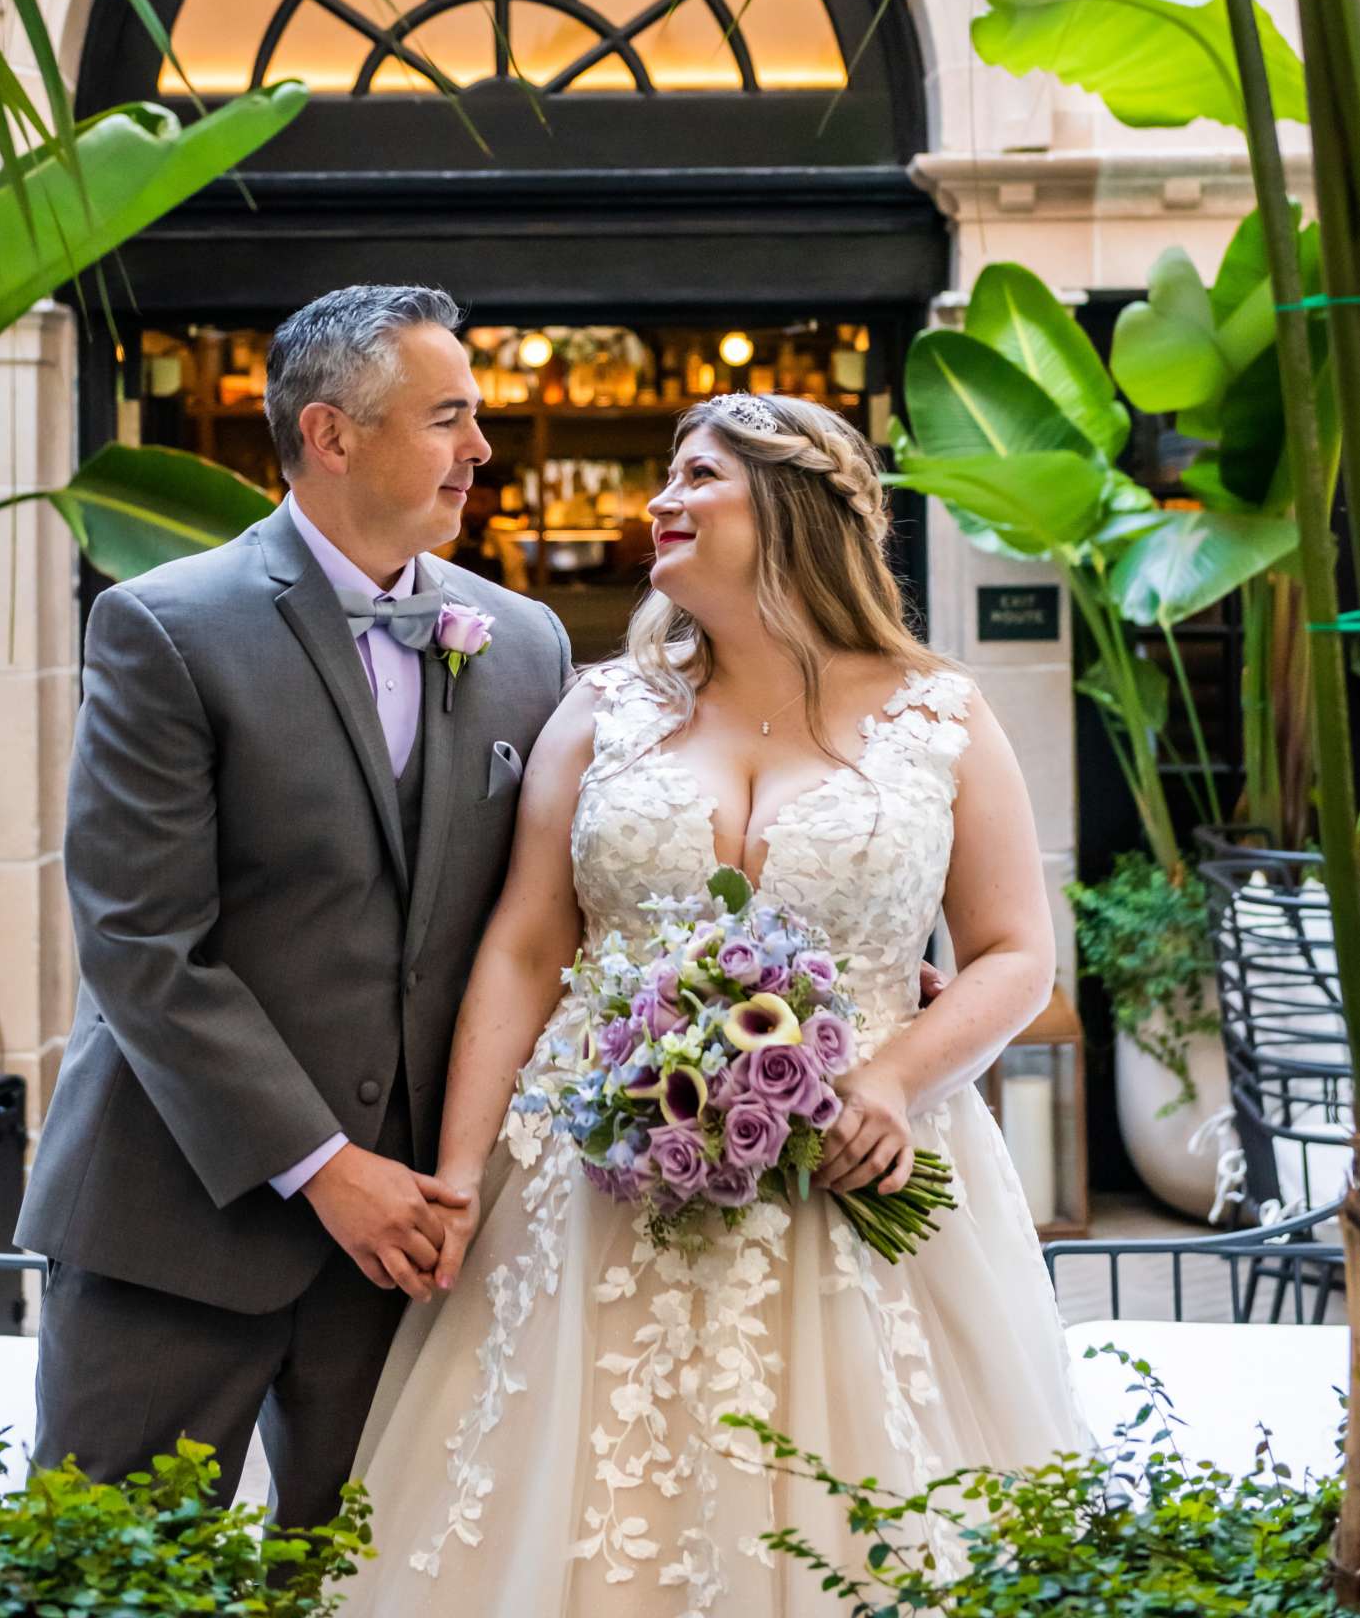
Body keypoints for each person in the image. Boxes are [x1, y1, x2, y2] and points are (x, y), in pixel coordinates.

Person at [343, 391, 1089, 1615]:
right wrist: (465, 1170)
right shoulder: (600, 707)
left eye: (696, 478)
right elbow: (528, 947)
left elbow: (1015, 954)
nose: (660, 502)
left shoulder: (940, 715)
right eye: (666, 480)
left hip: (856, 1182)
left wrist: (891, 1081)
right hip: (591, 1189)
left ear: (790, 507)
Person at [17, 284, 570, 1529]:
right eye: (447, 419)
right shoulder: (162, 628)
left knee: (363, 1589)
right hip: (175, 1225)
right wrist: (324, 1168)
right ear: (330, 435)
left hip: (414, 1258)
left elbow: (555, 913)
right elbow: (138, 942)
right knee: (100, 1573)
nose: (479, 450)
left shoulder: (525, 644)